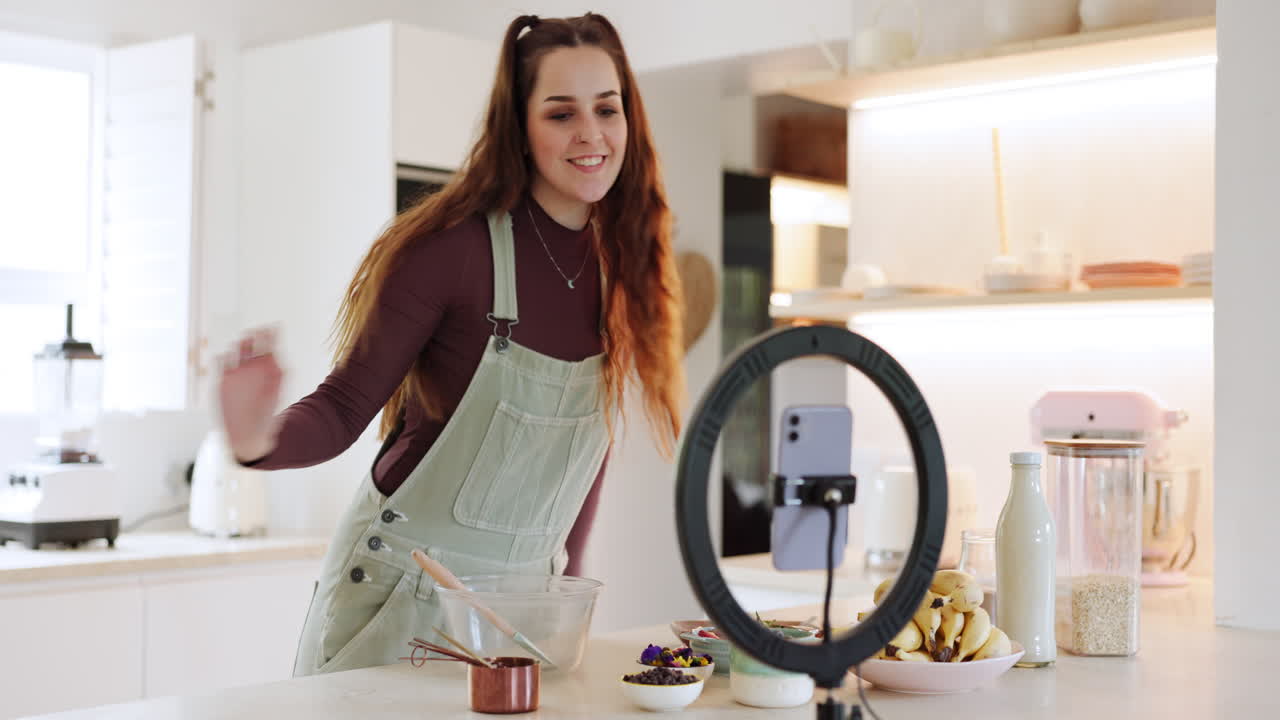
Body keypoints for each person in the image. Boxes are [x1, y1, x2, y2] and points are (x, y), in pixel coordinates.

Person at [216, 12, 685, 676]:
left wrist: (568, 602)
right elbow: (344, 406)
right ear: (518, 126)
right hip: (399, 600)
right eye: (560, 114)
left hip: (523, 619)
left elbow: (583, 459)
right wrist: (253, 438)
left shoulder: (621, 270)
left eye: (607, 109)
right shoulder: (451, 251)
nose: (591, 134)